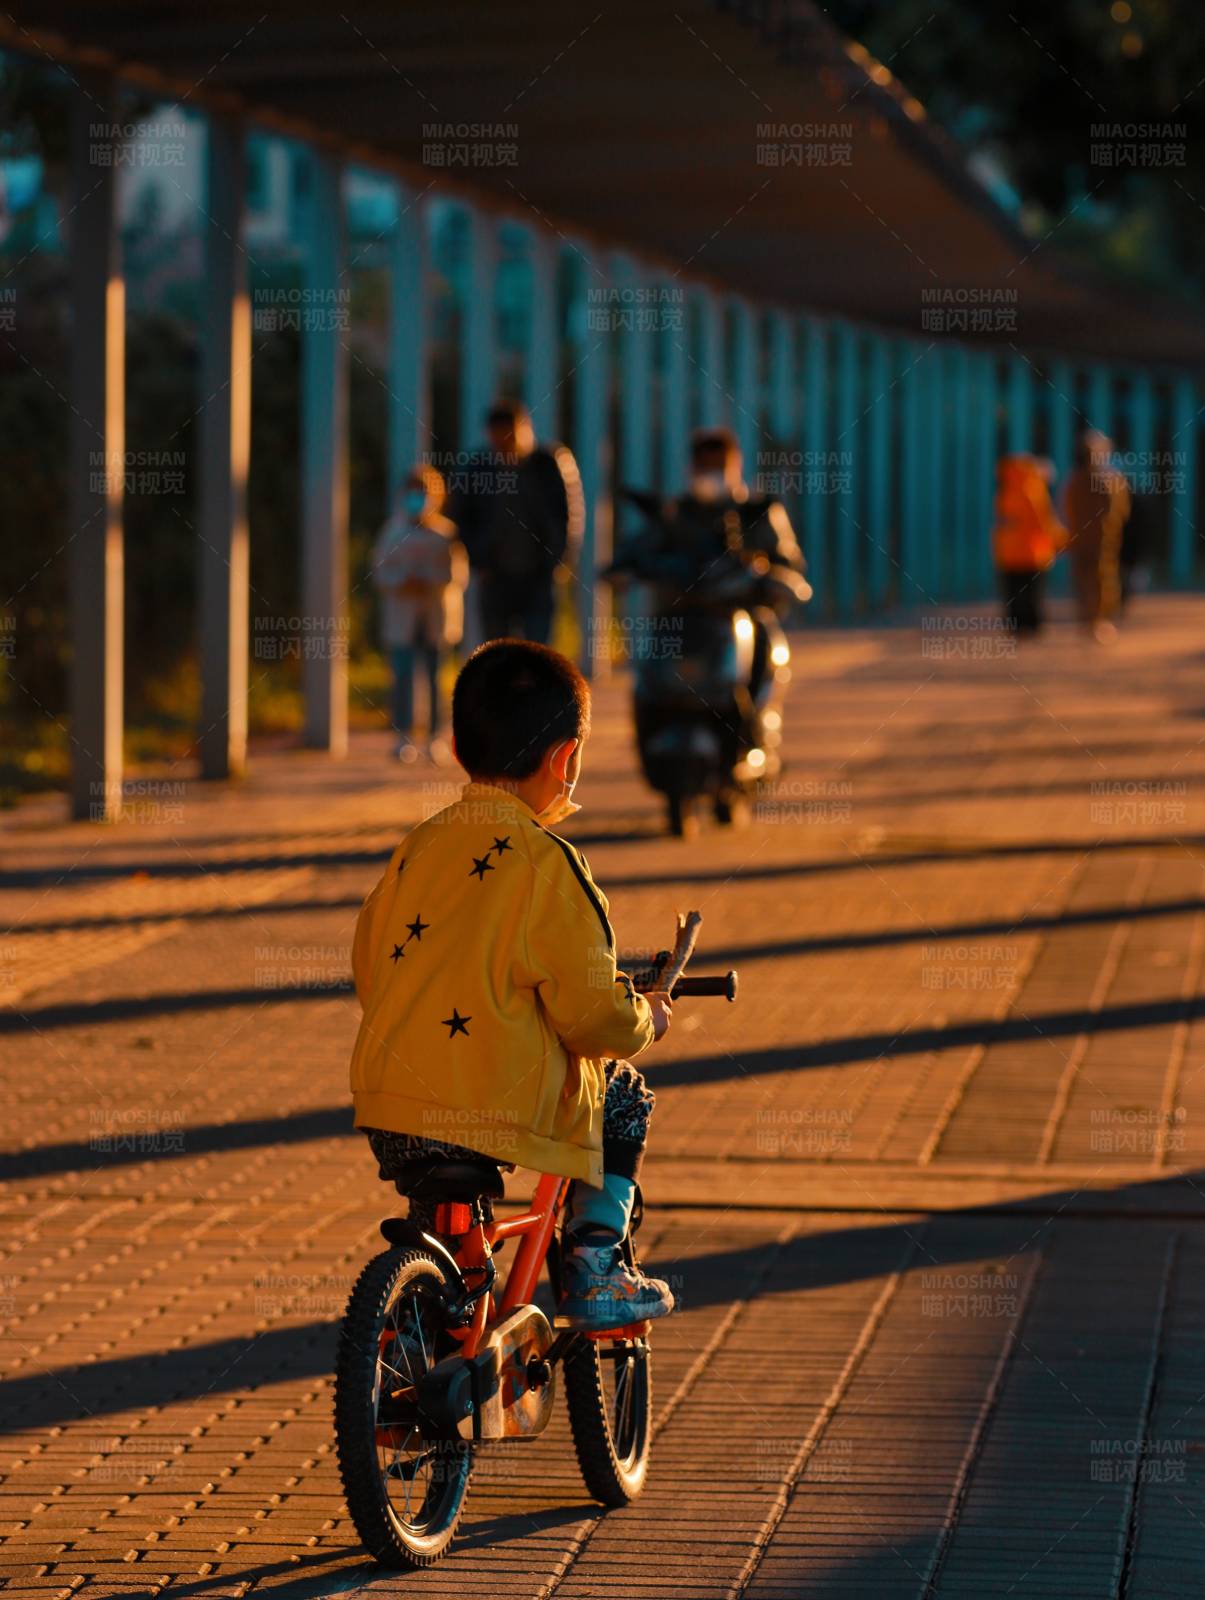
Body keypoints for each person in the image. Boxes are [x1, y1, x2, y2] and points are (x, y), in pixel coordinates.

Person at [349, 639, 676, 1330]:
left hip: (392, 1100)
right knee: (620, 1094)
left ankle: (428, 1328)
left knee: (443, 1227)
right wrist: (644, 1018)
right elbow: (592, 1015)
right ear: (564, 759)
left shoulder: (420, 845)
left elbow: (370, 962)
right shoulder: (544, 861)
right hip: (490, 1102)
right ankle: (594, 1267)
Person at [446, 400, 583, 647]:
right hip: (494, 576)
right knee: (498, 653)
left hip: (539, 576)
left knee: (538, 652)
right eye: (498, 437)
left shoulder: (548, 464)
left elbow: (569, 515)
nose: (504, 444)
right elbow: (461, 517)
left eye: (509, 436)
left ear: (525, 429)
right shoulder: (476, 468)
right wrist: (478, 561)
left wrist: (558, 560)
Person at [370, 465, 468, 763]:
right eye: (413, 492)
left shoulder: (447, 533)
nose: (418, 498)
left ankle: (436, 738)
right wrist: (402, 583)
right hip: (403, 617)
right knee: (402, 678)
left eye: (423, 492)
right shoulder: (392, 532)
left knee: (437, 679)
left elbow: (458, 574)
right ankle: (403, 738)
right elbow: (379, 572)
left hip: (435, 616)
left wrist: (431, 581)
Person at [1062, 430, 1131, 643]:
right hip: (1084, 540)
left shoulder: (1108, 479)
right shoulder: (1079, 479)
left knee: (1103, 581)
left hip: (1103, 541)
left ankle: (1100, 621)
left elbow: (1121, 510)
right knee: (1085, 581)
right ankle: (1087, 620)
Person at [990, 454, 1066, 636]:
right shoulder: (1035, 491)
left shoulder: (1005, 491)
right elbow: (1044, 522)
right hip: (1033, 553)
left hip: (1007, 553)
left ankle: (1014, 625)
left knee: (1012, 592)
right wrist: (1062, 540)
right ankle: (1031, 626)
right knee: (1032, 593)